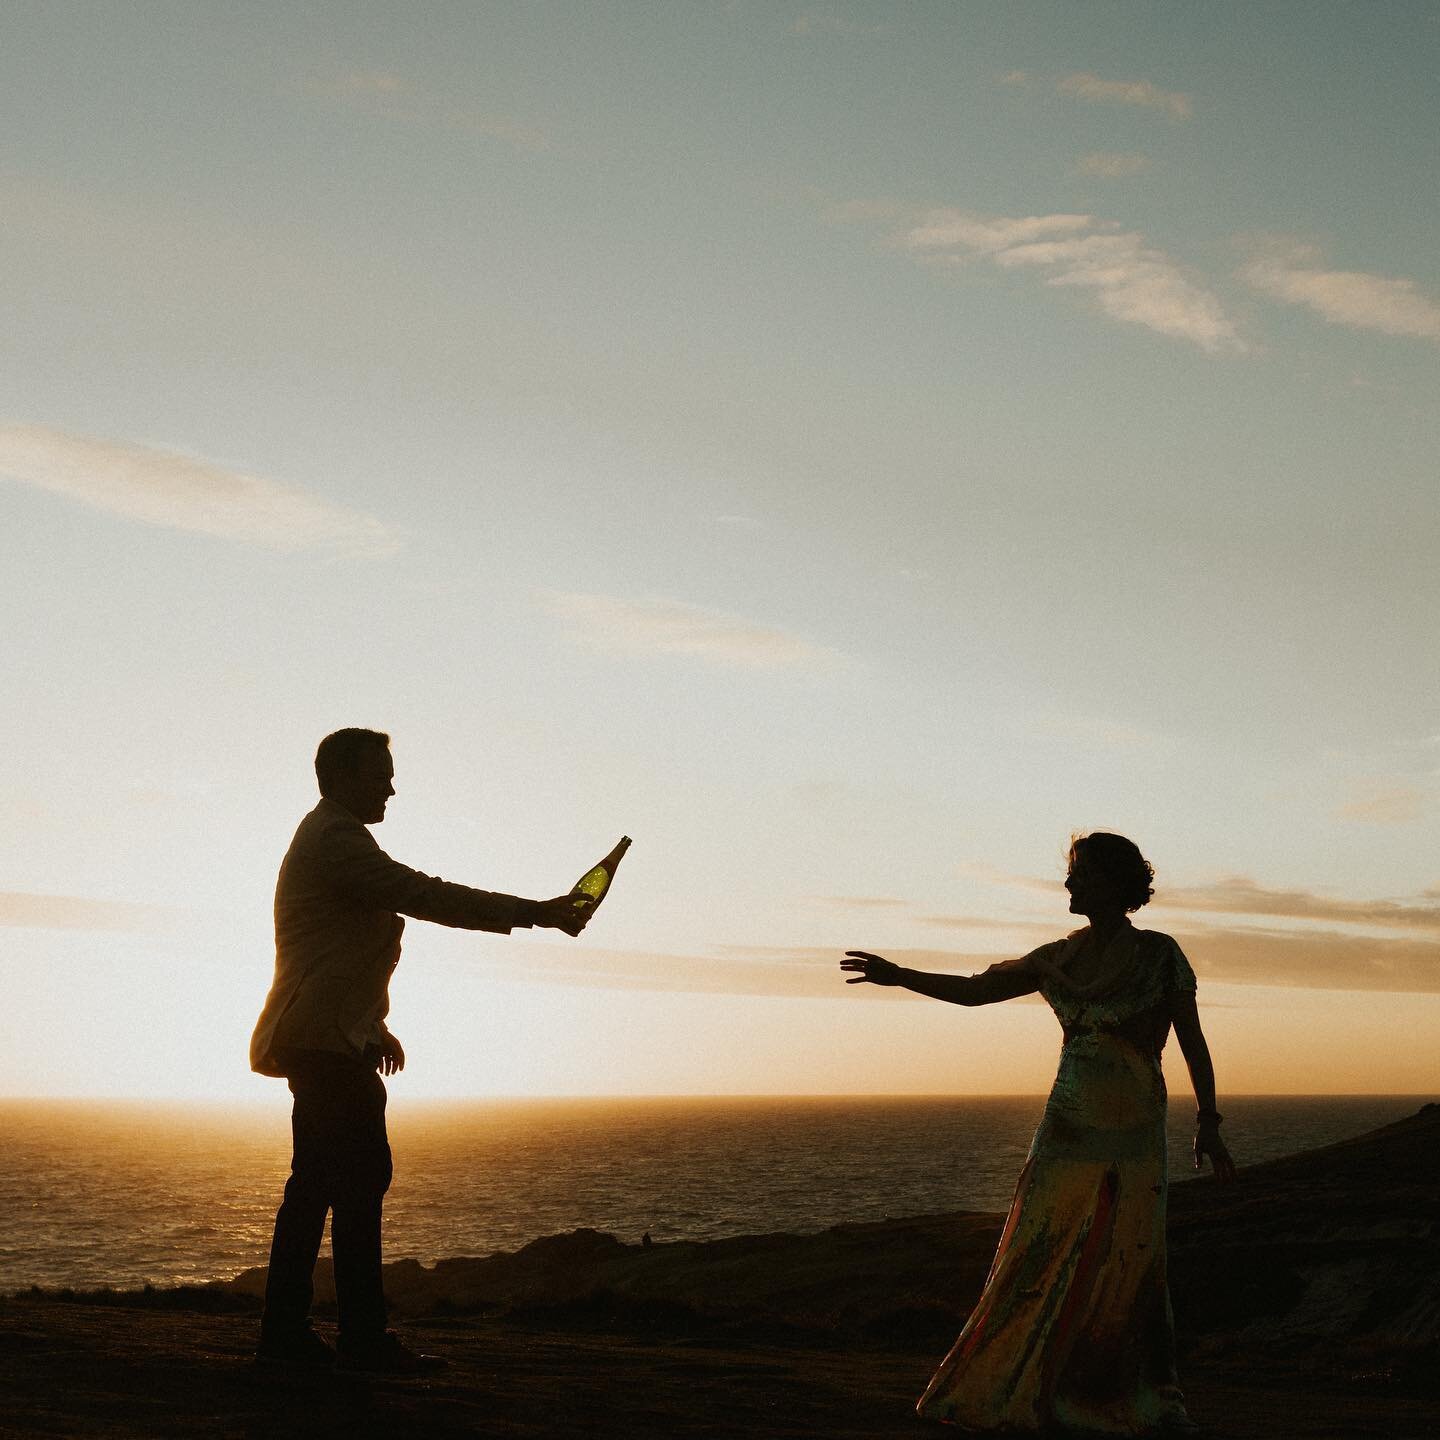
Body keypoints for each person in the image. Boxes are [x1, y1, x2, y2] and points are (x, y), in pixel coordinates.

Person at [840, 832, 1235, 1436]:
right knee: (1038, 1249)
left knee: (1127, 1260)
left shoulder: (1160, 956)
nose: (1070, 885)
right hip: (1067, 1128)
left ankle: (1119, 1394)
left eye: (1081, 874)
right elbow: (975, 991)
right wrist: (900, 976)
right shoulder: (1058, 957)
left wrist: (1208, 1120)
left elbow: (1192, 1041)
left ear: (1115, 882)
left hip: (1133, 1129)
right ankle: (1020, 1387)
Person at [250, 728, 594, 1373]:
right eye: (380, 773)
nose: (391, 785)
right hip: (324, 1044)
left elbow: (334, 952)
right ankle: (343, 1337)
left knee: (324, 1186)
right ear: (344, 776)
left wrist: (373, 1026)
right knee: (346, 1185)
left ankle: (300, 1333)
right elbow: (426, 895)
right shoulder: (338, 840)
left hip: (326, 1038)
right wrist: (540, 913)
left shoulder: (329, 838)